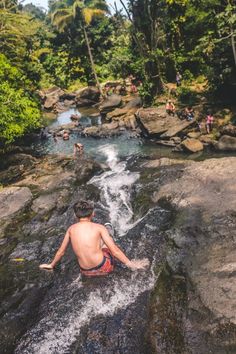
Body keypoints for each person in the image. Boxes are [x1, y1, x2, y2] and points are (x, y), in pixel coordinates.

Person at [40, 200, 149, 276]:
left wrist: (51, 265)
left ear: (75, 215)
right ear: (93, 214)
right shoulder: (98, 227)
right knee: (107, 242)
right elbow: (115, 251)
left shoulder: (71, 229)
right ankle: (109, 229)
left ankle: (107, 231)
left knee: (98, 243)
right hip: (103, 267)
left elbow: (61, 252)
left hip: (85, 271)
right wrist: (131, 264)